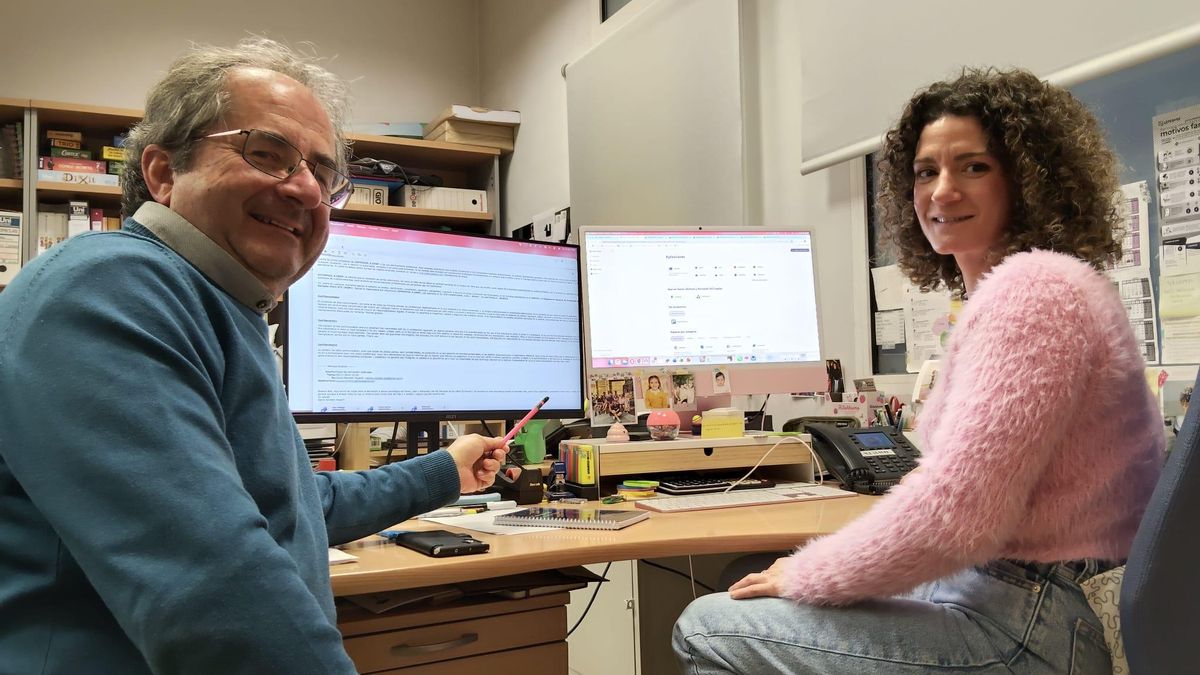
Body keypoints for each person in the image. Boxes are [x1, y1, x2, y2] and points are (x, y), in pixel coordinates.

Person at [0, 38, 510, 675]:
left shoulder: (221, 305)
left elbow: (292, 505)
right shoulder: (113, 286)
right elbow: (216, 594)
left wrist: (445, 471)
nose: (303, 190)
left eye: (324, 176)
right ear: (162, 173)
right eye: (267, 154)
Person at [674, 67, 1164, 674]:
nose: (942, 191)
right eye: (926, 171)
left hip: (1032, 624)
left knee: (707, 626)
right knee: (740, 580)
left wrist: (806, 570)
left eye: (974, 167)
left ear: (1028, 180)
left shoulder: (1036, 293)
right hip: (1009, 597)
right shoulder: (1030, 289)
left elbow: (956, 519)